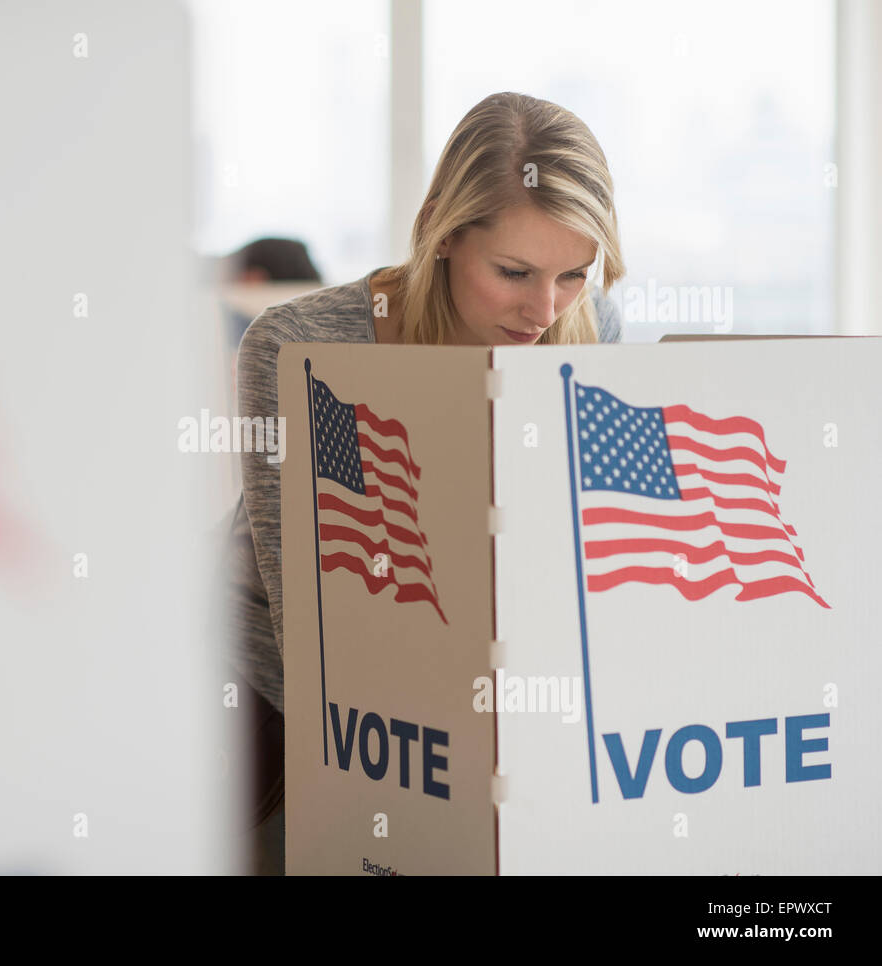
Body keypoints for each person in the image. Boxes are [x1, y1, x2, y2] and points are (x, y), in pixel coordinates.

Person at [221, 91, 627, 873]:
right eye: (513, 271)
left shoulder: (591, 326)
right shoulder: (303, 343)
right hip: (272, 676)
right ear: (441, 231)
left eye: (574, 274)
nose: (544, 309)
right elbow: (312, 624)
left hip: (465, 672)